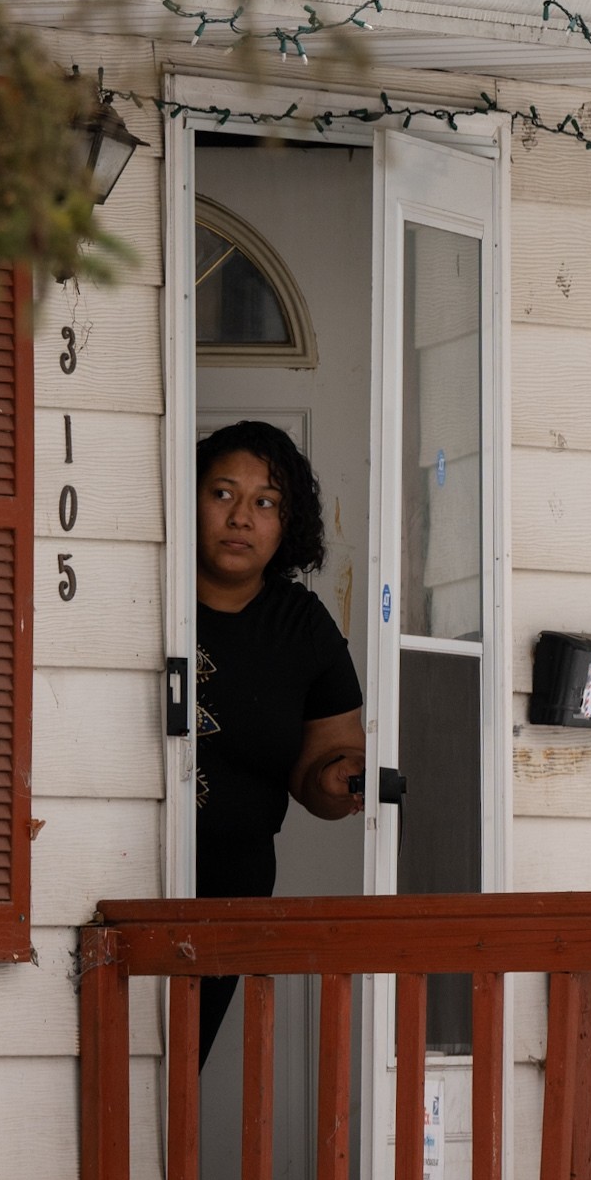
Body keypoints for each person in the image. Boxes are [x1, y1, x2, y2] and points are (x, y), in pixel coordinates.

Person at [194, 419, 365, 1067]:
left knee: (177, 1066)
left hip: (228, 892)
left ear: (285, 524)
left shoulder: (302, 626)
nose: (241, 517)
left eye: (265, 502)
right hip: (115, 871)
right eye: (223, 494)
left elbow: (323, 767)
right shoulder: (142, 590)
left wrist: (336, 779)